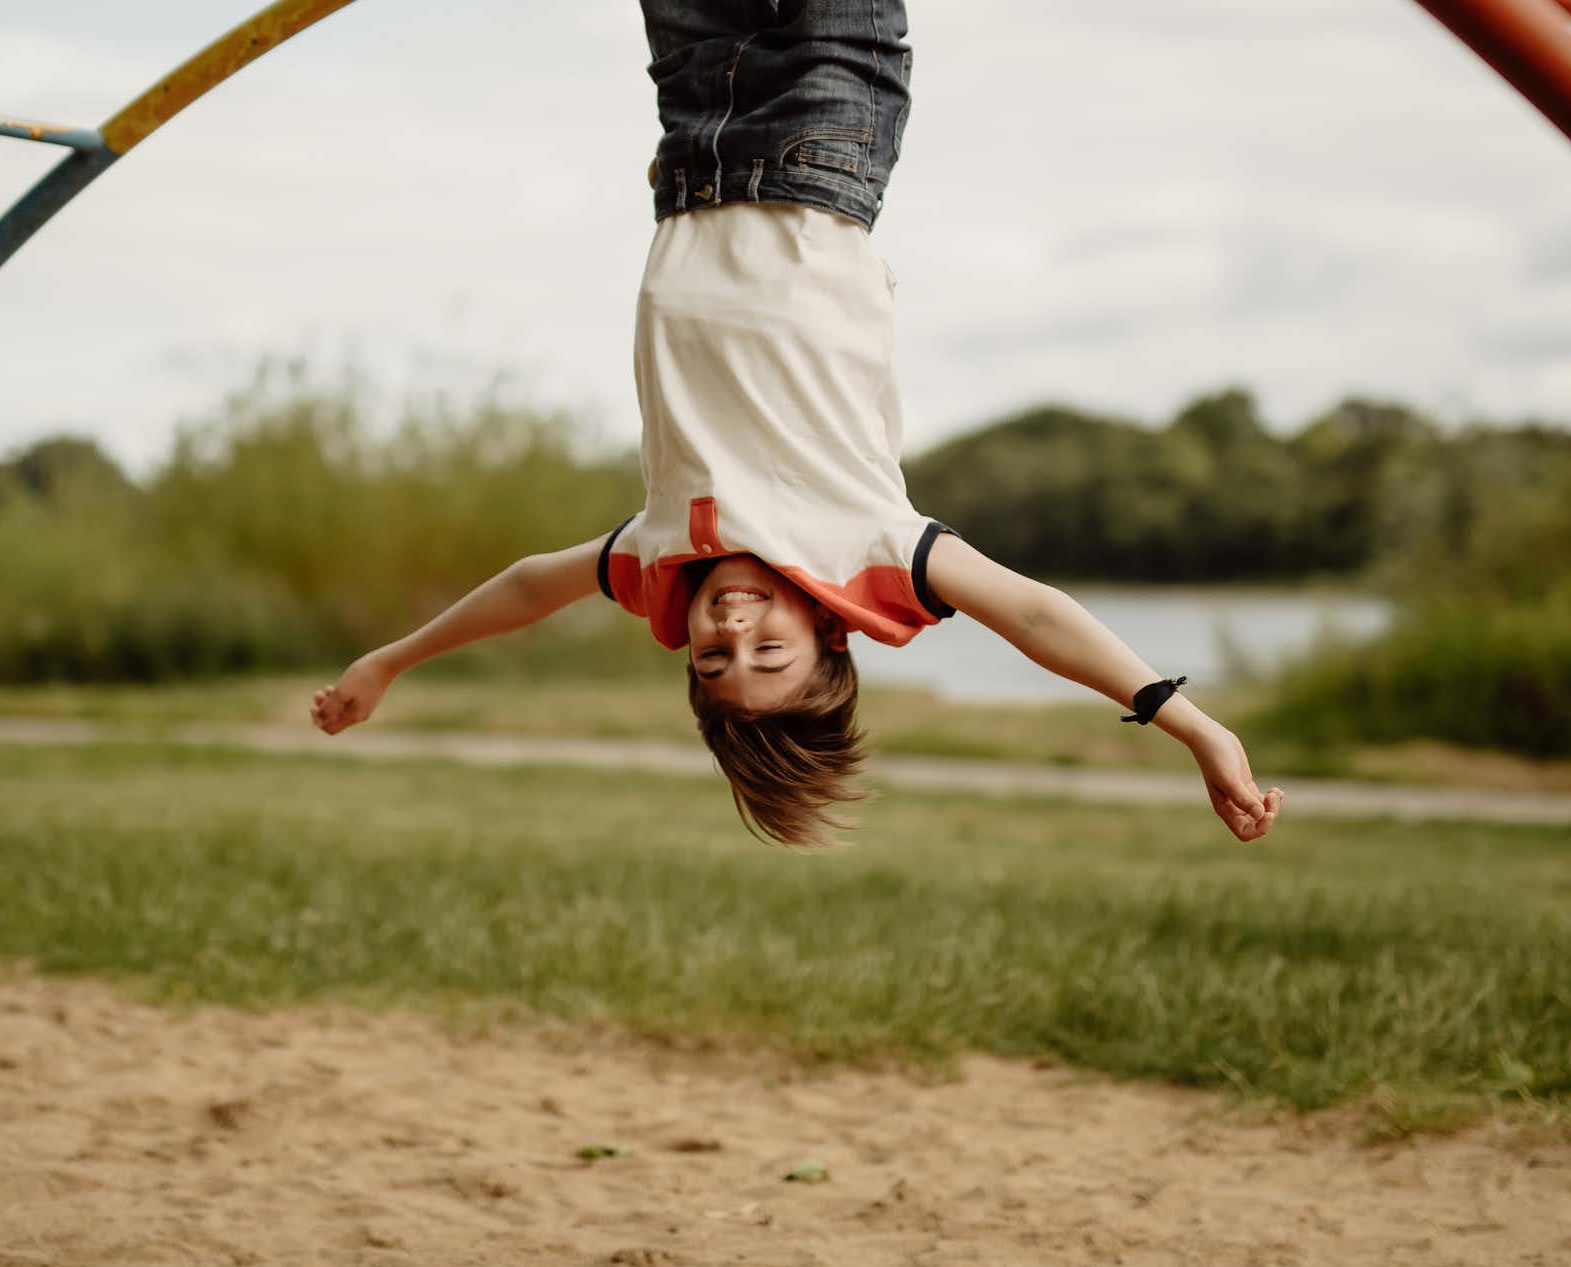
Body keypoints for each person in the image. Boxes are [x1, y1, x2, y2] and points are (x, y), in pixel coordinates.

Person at [312, 0, 1283, 847]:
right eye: (768, 650)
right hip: (823, 129)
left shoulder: (656, 557)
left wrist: (390, 660)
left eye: (712, 654)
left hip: (695, 138)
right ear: (828, 629)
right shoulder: (869, 556)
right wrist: (1190, 722)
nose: (733, 628)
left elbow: (527, 588)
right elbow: (1033, 614)